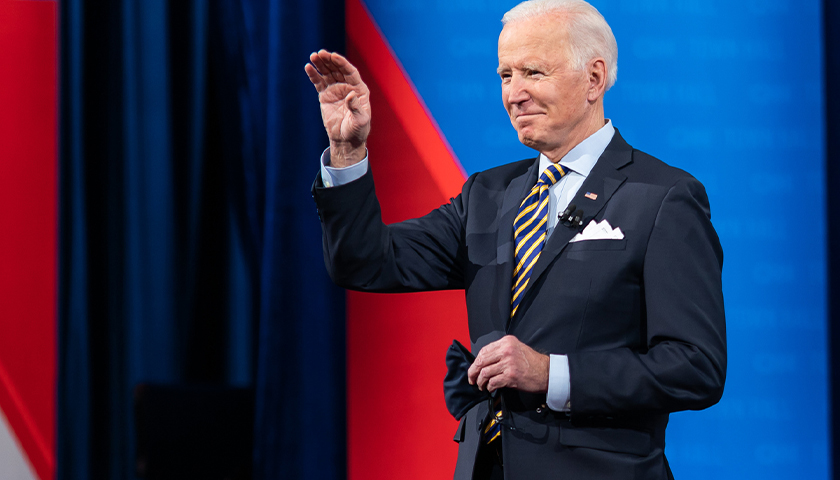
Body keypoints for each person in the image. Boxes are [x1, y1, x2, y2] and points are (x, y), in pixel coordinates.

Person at [304, 0, 726, 478]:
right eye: (505, 76)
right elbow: (365, 262)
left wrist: (551, 373)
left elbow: (695, 368)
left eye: (533, 72)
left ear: (594, 78)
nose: (515, 94)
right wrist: (348, 148)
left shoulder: (663, 197)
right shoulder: (488, 194)